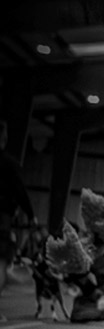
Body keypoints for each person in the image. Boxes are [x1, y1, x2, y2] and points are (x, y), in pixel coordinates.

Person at [0, 119, 37, 313]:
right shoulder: (8, 164)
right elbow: (19, 191)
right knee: (1, 261)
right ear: (3, 139)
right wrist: (31, 215)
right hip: (2, 218)